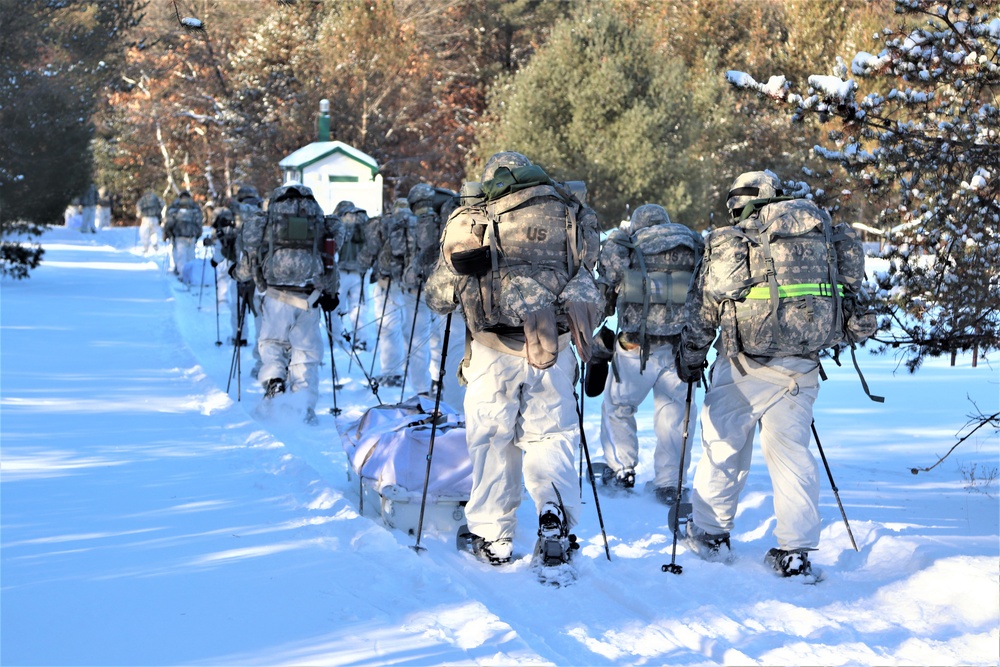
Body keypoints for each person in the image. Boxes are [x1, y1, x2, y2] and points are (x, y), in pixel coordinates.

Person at [676, 170, 873, 579]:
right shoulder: (818, 235)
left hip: (744, 365)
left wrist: (691, 358)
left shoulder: (731, 241)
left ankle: (711, 534)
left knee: (723, 445)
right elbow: (854, 297)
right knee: (791, 455)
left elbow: (703, 312)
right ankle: (795, 551)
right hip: (802, 365)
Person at [438, 151, 602, 568]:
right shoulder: (569, 212)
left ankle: (494, 538)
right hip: (554, 346)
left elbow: (440, 293)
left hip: (493, 349)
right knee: (552, 434)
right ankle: (553, 516)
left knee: (493, 439)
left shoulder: (475, 216)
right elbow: (591, 267)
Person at [595, 203, 704, 504]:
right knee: (675, 412)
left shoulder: (629, 243)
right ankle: (669, 482)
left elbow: (606, 284)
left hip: (635, 344)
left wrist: (596, 321)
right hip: (680, 347)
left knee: (619, 405)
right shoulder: (693, 243)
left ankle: (621, 469)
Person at [235, 183, 343, 424]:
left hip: (275, 295)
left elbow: (252, 257)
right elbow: (329, 259)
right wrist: (331, 292)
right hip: (309, 296)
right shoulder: (318, 221)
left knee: (272, 344)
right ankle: (304, 407)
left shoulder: (269, 220)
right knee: (306, 354)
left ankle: (274, 383)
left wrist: (238, 274)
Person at [357, 198, 415, 389]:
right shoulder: (418, 222)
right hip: (413, 284)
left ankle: (391, 373)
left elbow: (371, 249)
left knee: (388, 328)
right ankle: (413, 373)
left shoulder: (386, 223)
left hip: (387, 281)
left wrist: (362, 267)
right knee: (413, 329)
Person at [332, 200, 370, 354]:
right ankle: (361, 340)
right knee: (359, 308)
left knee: (336, 308)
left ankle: (336, 339)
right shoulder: (363, 221)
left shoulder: (338, 221)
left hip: (341, 271)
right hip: (360, 272)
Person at [163, 190, 204, 283]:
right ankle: (191, 275)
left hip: (179, 234)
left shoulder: (175, 206)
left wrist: (168, 232)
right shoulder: (194, 206)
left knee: (181, 255)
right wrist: (198, 233)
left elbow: (170, 220)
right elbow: (199, 221)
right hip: (191, 234)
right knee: (191, 255)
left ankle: (182, 274)